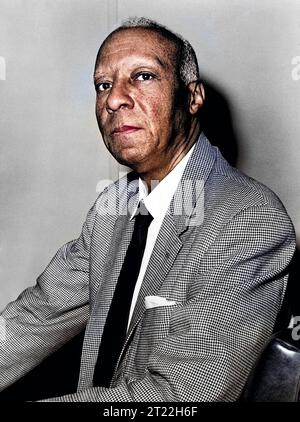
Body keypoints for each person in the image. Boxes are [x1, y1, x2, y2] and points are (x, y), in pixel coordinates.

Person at [0, 17, 296, 402]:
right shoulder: (115, 205)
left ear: (192, 98)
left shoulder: (249, 219)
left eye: (142, 76)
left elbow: (179, 395)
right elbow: (34, 319)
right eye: (103, 85)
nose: (114, 99)